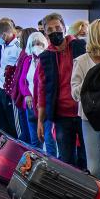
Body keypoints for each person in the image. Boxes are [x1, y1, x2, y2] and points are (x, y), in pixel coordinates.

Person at [37, 13, 86, 166]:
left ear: (64, 28)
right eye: (50, 30)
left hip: (85, 113)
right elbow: (42, 90)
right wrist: (40, 120)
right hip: (61, 116)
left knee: (89, 161)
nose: (55, 32)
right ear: (45, 34)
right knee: (66, 162)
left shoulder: (81, 46)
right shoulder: (45, 57)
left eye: (58, 28)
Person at [71, 19, 100, 181]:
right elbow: (75, 93)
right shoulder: (82, 61)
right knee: (94, 168)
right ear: (98, 36)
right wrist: (91, 82)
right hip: (90, 117)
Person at [17, 31, 49, 150]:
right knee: (34, 142)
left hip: (44, 106)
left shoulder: (47, 61)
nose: (37, 46)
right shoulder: (27, 60)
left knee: (49, 142)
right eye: (34, 43)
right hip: (30, 106)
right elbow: (22, 81)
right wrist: (27, 95)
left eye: (39, 43)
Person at [0, 19, 20, 135]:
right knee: (1, 119)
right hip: (2, 87)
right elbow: (3, 66)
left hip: (11, 90)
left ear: (4, 34)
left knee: (12, 122)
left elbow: (18, 69)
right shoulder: (4, 45)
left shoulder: (17, 47)